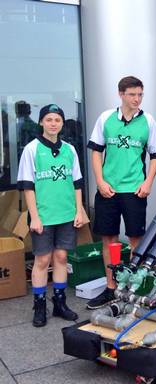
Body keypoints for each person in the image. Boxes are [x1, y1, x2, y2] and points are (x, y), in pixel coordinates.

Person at [87, 76, 156, 309]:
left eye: (140, 94)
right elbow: (96, 151)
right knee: (109, 238)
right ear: (121, 94)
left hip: (134, 190)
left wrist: (148, 182)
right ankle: (112, 288)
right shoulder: (105, 118)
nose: (137, 99)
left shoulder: (148, 121)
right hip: (108, 189)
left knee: (135, 240)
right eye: (132, 94)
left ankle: (133, 287)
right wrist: (99, 181)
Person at [17, 104, 84, 327]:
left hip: (66, 214)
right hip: (43, 216)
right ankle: (39, 305)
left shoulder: (70, 150)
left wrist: (80, 209)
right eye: (49, 119)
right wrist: (34, 217)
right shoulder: (32, 149)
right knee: (43, 260)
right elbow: (28, 186)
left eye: (57, 119)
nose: (53, 123)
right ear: (41, 122)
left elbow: (77, 183)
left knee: (62, 258)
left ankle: (60, 303)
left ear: (62, 123)